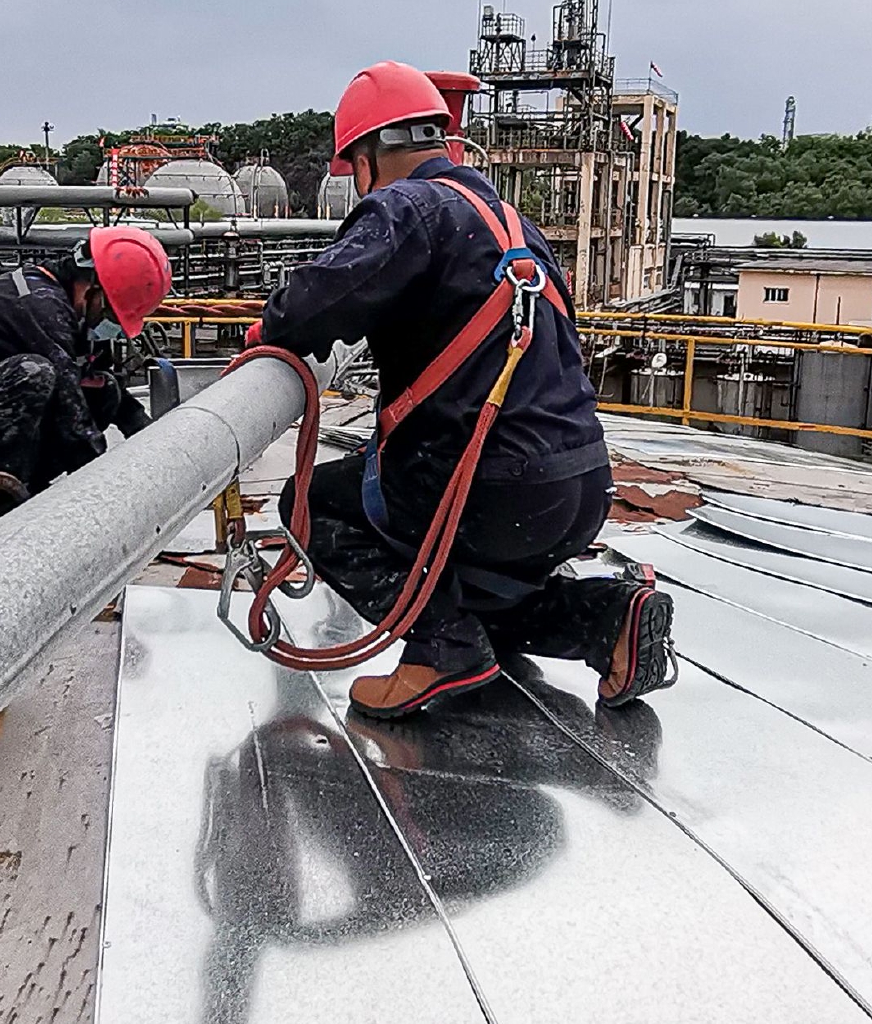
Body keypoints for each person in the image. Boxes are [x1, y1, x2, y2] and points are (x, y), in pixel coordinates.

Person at [253, 60, 677, 719]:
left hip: (488, 488)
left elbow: (308, 309)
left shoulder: (407, 208)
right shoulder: (511, 221)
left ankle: (438, 649)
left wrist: (268, 328)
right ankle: (605, 619)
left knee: (310, 502)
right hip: (579, 485)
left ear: (366, 158)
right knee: (465, 591)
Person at [0, 226, 171, 499]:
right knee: (32, 373)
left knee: (103, 388)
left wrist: (150, 439)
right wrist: (105, 495)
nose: (111, 324)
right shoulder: (39, 303)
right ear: (92, 286)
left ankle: (26, 491)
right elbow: (74, 420)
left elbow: (110, 392)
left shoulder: (75, 313)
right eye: (110, 313)